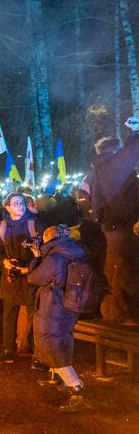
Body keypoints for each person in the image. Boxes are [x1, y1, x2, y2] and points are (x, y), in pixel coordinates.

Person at [26, 225, 88, 413]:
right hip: (70, 304)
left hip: (53, 305)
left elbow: (34, 278)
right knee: (63, 339)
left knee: (49, 342)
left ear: (48, 238)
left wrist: (36, 257)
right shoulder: (76, 251)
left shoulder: (55, 257)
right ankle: (61, 378)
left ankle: (74, 386)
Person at [87, 117, 139, 323]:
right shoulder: (112, 166)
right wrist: (135, 131)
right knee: (125, 267)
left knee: (117, 266)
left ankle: (118, 311)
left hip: (114, 224)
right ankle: (125, 313)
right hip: (122, 224)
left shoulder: (103, 168)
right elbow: (131, 152)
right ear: (113, 152)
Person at [0, 192, 43, 364]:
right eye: (15, 203)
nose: (19, 206)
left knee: (34, 315)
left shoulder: (35, 224)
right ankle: (8, 350)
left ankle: (36, 353)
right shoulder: (1, 227)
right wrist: (5, 261)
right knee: (9, 315)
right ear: (7, 207)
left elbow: (45, 249)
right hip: (11, 277)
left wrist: (30, 267)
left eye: (21, 202)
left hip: (31, 276)